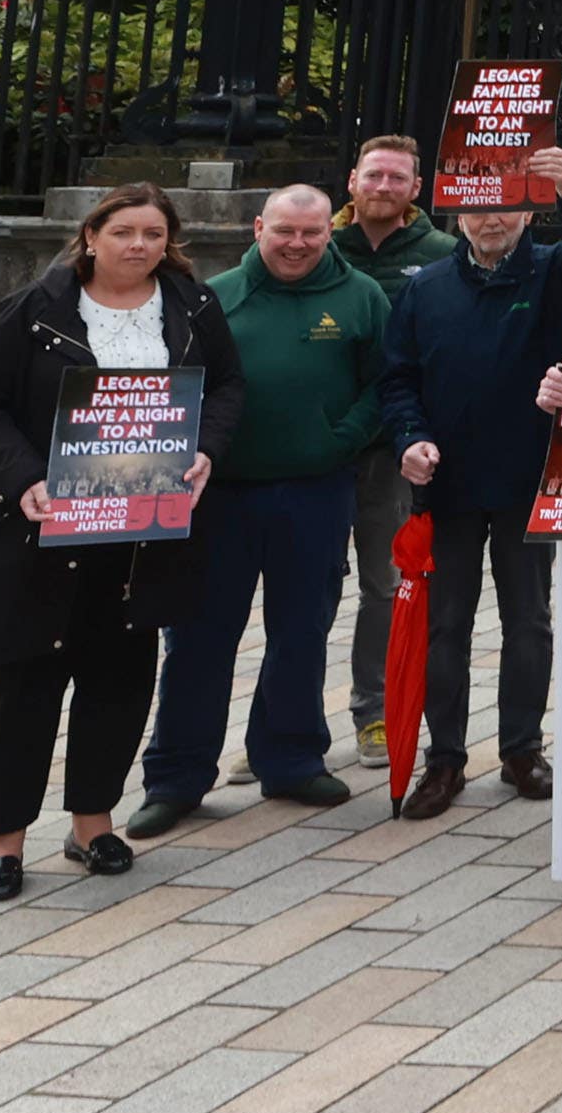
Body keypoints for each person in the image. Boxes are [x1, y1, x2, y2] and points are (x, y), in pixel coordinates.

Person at [0, 183, 247, 897]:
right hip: (44, 531)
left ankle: (92, 824)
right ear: (91, 236)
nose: (138, 245)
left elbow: (229, 385)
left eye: (152, 232)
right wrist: (23, 477)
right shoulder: (35, 310)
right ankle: (3, 842)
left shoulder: (191, 306)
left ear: (167, 241)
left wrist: (206, 446)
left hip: (144, 532)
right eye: (123, 231)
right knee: (27, 686)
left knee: (119, 679)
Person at [127, 185, 389, 838]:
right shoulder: (212, 298)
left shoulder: (362, 296)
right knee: (197, 638)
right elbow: (172, 384)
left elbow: (387, 381)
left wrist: (342, 438)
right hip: (219, 497)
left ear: (331, 229)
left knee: (303, 629)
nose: (297, 243)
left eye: (312, 231)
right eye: (284, 231)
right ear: (257, 227)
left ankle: (293, 757)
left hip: (316, 489)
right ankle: (177, 776)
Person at [377, 139, 562, 822]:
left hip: (529, 477)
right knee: (446, 623)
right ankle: (445, 758)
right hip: (450, 483)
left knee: (529, 620)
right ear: (457, 212)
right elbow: (398, 377)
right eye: (477, 206)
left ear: (529, 213)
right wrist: (410, 438)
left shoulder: (553, 271)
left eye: (506, 205)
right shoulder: (424, 286)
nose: (491, 217)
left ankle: (521, 748)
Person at [330, 134, 453, 768]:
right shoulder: (314, 244)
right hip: (318, 449)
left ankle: (373, 711)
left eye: (396, 179)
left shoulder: (440, 254)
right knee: (310, 590)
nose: (383, 187)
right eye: (373, 175)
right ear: (352, 181)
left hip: (393, 449)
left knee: (385, 586)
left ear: (416, 189)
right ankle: (280, 717)